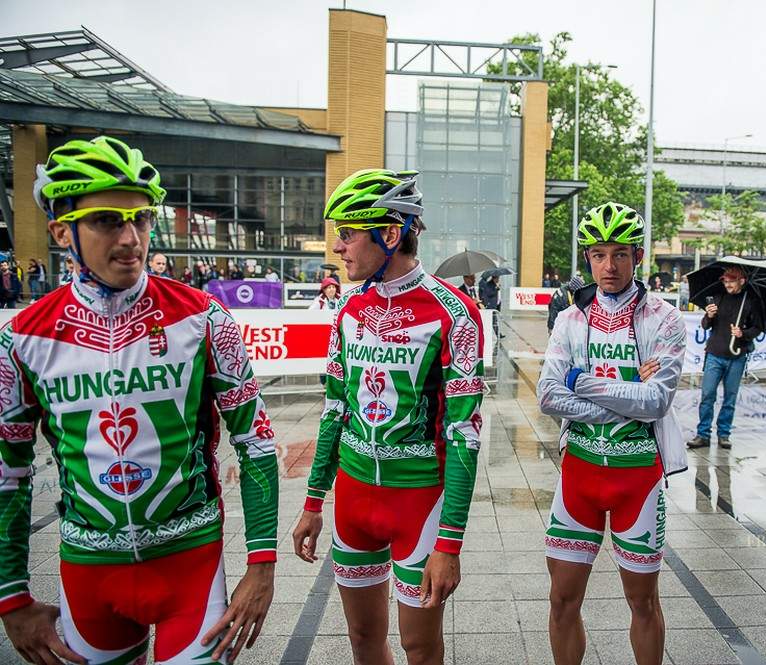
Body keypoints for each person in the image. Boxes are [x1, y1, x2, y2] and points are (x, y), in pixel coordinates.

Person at [0, 136, 280, 664]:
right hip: (89, 575)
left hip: (191, 566)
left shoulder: (203, 318)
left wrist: (261, 566)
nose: (131, 238)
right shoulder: (22, 339)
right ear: (60, 231)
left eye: (142, 219)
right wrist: (12, 597)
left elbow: (256, 441)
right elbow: (7, 472)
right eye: (108, 221)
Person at [292, 168, 484, 665]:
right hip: (354, 499)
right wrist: (313, 502)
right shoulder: (347, 309)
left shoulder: (455, 312)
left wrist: (450, 543)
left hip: (418, 504)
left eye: (348, 233)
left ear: (391, 235)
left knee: (420, 647)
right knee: (362, 638)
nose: (338, 246)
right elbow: (334, 410)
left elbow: (464, 433)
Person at [537, 202, 687, 665]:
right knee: (561, 601)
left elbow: (655, 403)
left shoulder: (664, 318)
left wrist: (579, 381)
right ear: (587, 257)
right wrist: (626, 396)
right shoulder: (570, 319)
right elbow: (547, 396)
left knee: (643, 602)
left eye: (620, 254)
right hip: (579, 475)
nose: (609, 266)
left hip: (637, 477)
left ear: (637, 255)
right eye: (599, 254)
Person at [686, 265, 762, 450]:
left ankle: (724, 434)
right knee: (707, 395)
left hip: (737, 356)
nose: (727, 284)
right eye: (725, 281)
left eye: (731, 281)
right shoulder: (718, 297)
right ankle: (703, 434)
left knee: (730, 398)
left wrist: (743, 333)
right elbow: (705, 325)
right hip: (714, 354)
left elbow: (757, 328)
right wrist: (709, 315)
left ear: (742, 281)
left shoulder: (750, 301)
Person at [479, 273, 502, 339]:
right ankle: (497, 334)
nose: (498, 279)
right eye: (497, 278)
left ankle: (498, 334)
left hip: (495, 305)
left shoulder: (495, 284)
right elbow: (489, 293)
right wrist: (496, 288)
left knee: (494, 321)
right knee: (493, 321)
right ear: (494, 278)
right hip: (490, 305)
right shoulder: (489, 284)